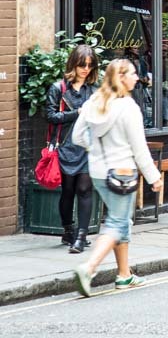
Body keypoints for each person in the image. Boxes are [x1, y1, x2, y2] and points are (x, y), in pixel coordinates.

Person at [71, 59, 164, 297]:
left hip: (98, 172)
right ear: (121, 77)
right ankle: (88, 268)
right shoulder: (128, 108)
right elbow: (139, 148)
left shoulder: (94, 101)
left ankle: (124, 275)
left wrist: (95, 152)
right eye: (133, 73)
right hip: (122, 173)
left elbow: (77, 137)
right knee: (117, 223)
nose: (137, 77)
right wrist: (154, 177)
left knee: (120, 219)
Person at [45, 44, 99, 254]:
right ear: (73, 65)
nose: (85, 69)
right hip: (66, 147)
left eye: (89, 65)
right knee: (67, 192)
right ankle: (69, 230)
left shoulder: (93, 90)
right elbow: (50, 116)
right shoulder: (58, 89)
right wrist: (77, 112)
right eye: (81, 65)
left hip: (86, 147)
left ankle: (82, 236)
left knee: (85, 189)